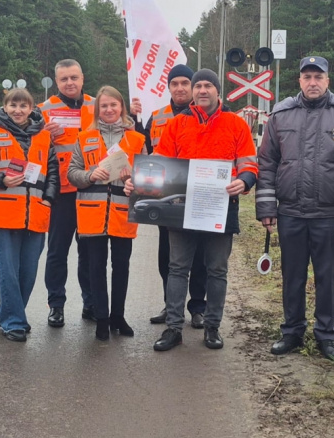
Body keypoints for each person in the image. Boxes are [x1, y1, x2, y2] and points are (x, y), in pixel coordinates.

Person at [126, 69, 258, 351]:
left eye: (208, 85)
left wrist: (244, 180)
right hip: (182, 209)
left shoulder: (236, 124)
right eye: (198, 86)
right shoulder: (177, 124)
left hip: (221, 206)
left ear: (217, 91)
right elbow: (160, 161)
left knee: (217, 270)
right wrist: (137, 183)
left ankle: (212, 327)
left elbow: (249, 163)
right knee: (177, 269)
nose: (202, 91)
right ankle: (174, 328)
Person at [256, 56, 334, 360]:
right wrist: (267, 205)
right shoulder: (281, 114)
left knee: (327, 277)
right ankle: (291, 331)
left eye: (318, 77)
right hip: (291, 212)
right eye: (307, 77)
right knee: (292, 276)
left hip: (330, 214)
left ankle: (326, 335)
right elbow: (267, 163)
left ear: (328, 81)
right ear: (299, 81)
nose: (313, 82)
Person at [0, 88, 59, 342]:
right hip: (4, 212)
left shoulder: (43, 138)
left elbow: (52, 172)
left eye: (24, 106)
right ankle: (14, 322)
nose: (18, 110)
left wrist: (48, 198)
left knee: (28, 271)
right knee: (9, 270)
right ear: (5, 107)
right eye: (13, 105)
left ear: (31, 109)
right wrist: (1, 179)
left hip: (37, 212)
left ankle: (5, 311)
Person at [132, 64, 208, 328]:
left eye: (185, 83)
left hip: (199, 195)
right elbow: (143, 151)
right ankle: (170, 303)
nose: (179, 88)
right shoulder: (156, 116)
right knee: (167, 255)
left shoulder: (205, 114)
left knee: (199, 257)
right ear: (168, 87)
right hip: (169, 199)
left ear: (193, 85)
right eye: (174, 83)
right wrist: (133, 120)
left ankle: (198, 307)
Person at [68, 86, 146, 341]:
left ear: (122, 107)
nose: (109, 109)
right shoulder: (84, 138)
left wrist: (134, 179)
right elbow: (72, 174)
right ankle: (101, 318)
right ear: (97, 110)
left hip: (123, 211)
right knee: (95, 268)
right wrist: (90, 175)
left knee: (121, 266)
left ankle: (118, 317)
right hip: (91, 212)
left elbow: (147, 177)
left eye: (114, 105)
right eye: (104, 106)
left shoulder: (136, 139)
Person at [38, 59, 95, 328]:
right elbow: (30, 147)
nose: (70, 83)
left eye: (74, 77)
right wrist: (41, 134)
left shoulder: (98, 105)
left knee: (89, 252)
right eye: (64, 79)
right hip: (61, 192)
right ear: (56, 81)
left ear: (83, 78)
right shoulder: (44, 110)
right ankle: (56, 305)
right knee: (57, 252)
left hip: (91, 189)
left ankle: (90, 303)